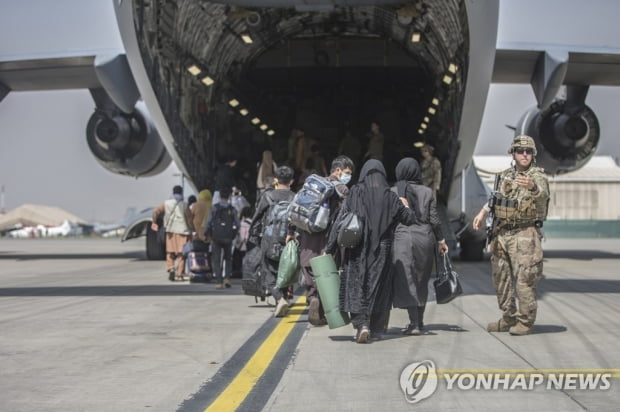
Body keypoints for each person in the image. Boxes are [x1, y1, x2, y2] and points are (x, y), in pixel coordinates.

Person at [325, 159, 417, 343]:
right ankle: (375, 329)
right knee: (379, 288)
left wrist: (330, 248)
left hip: (357, 248)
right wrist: (405, 205)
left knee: (356, 285)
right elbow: (409, 219)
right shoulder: (391, 196)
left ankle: (361, 324)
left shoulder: (356, 193)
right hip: (383, 250)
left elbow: (341, 220)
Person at [472, 135, 550, 336]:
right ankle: (508, 317)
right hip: (502, 233)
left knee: (525, 279)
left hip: (525, 233)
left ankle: (525, 322)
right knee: (501, 278)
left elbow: (542, 195)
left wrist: (531, 187)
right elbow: (495, 199)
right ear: (513, 154)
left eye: (528, 152)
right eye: (520, 151)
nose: (524, 155)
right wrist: (482, 214)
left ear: (533, 155)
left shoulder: (537, 176)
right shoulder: (506, 175)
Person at [391, 158, 449, 336]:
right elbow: (434, 220)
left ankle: (414, 323)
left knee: (407, 280)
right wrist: (441, 240)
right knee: (422, 280)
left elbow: (390, 218)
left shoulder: (393, 191)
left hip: (402, 237)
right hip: (425, 238)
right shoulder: (427, 192)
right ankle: (420, 322)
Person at [297, 155, 355, 326]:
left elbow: (298, 208)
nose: (348, 176)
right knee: (326, 271)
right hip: (327, 237)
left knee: (308, 266)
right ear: (337, 170)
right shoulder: (343, 190)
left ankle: (312, 297)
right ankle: (320, 306)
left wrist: (291, 232)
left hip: (308, 235)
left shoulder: (313, 185)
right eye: (347, 172)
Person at [250, 165, 296, 317]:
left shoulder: (268, 196)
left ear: (275, 180)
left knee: (268, 271)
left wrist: (255, 237)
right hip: (289, 239)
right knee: (284, 270)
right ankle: (282, 300)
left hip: (270, 239)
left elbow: (257, 218)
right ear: (292, 181)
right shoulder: (295, 197)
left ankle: (279, 298)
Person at [151, 185, 192, 281]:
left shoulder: (166, 203)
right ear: (181, 193)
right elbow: (189, 218)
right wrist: (191, 228)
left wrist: (154, 222)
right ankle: (180, 275)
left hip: (170, 231)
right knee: (181, 254)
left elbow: (155, 211)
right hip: (183, 231)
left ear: (173, 193)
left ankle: (171, 268)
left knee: (170, 252)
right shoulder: (185, 204)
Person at [204, 187, 239, 289]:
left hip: (216, 237)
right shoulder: (232, 209)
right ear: (229, 197)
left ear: (219, 197)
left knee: (216, 259)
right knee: (228, 258)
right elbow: (237, 224)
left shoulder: (214, 208)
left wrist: (206, 233)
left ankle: (219, 281)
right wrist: (233, 234)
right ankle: (227, 278)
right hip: (228, 237)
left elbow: (208, 222)